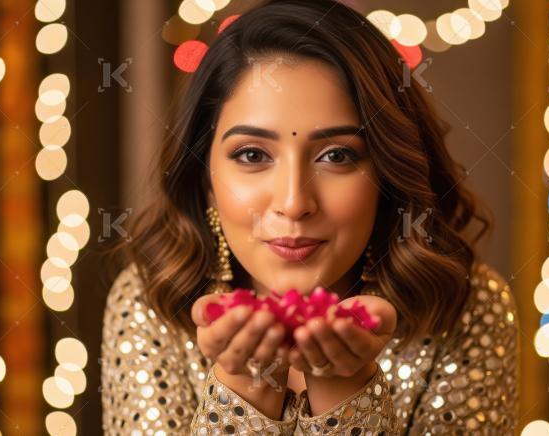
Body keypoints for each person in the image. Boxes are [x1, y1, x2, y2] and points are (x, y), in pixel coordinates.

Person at [101, 0, 519, 434]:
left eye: (336, 156)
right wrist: (243, 394)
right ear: (204, 175)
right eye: (252, 155)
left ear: (387, 174)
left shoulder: (466, 307)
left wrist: (346, 393)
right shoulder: (151, 302)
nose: (294, 202)